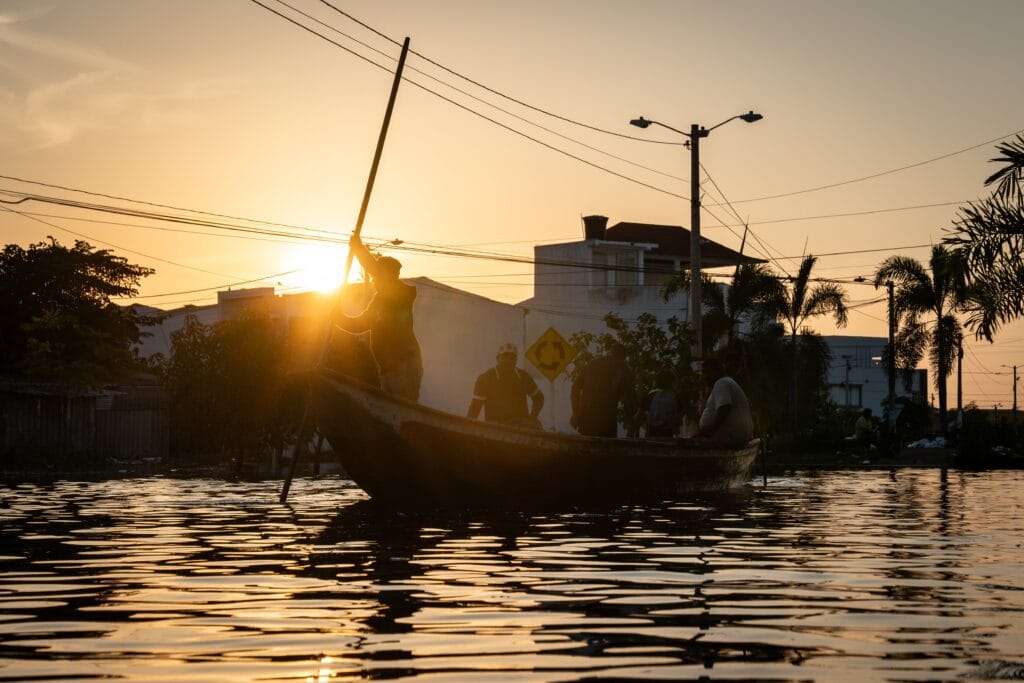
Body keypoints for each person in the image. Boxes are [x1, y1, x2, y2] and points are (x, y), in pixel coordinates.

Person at [335, 233, 422, 401]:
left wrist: (358, 249)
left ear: (390, 277)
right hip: (389, 368)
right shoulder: (378, 302)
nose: (374, 280)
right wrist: (338, 317)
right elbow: (359, 324)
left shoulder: (401, 294)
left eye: (377, 276)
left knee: (402, 409)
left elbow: (374, 269)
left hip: (403, 364)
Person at [467, 343, 544, 428]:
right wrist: (467, 429)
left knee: (537, 426)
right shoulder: (485, 378)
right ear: (497, 359)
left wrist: (533, 417)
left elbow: (539, 398)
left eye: (512, 357)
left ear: (516, 360)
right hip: (496, 427)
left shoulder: (524, 377)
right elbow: (474, 410)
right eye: (504, 356)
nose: (508, 360)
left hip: (522, 426)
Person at [570, 343, 637, 438]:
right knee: (606, 449)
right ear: (623, 357)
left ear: (610, 352)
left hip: (586, 418)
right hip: (606, 421)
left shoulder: (592, 364)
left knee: (586, 447)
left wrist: (576, 414)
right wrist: (631, 425)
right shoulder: (623, 369)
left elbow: (575, 389)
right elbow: (627, 400)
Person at [694, 357, 753, 446]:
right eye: (703, 373)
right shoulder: (726, 382)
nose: (705, 376)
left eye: (708, 372)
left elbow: (724, 408)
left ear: (718, 371)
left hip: (729, 439)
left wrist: (708, 431)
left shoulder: (721, 383)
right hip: (733, 438)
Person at [645, 369, 681, 438]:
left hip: (652, 431)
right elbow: (678, 418)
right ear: (672, 382)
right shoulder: (675, 396)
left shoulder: (651, 395)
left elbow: (639, 415)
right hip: (668, 432)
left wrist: (635, 431)